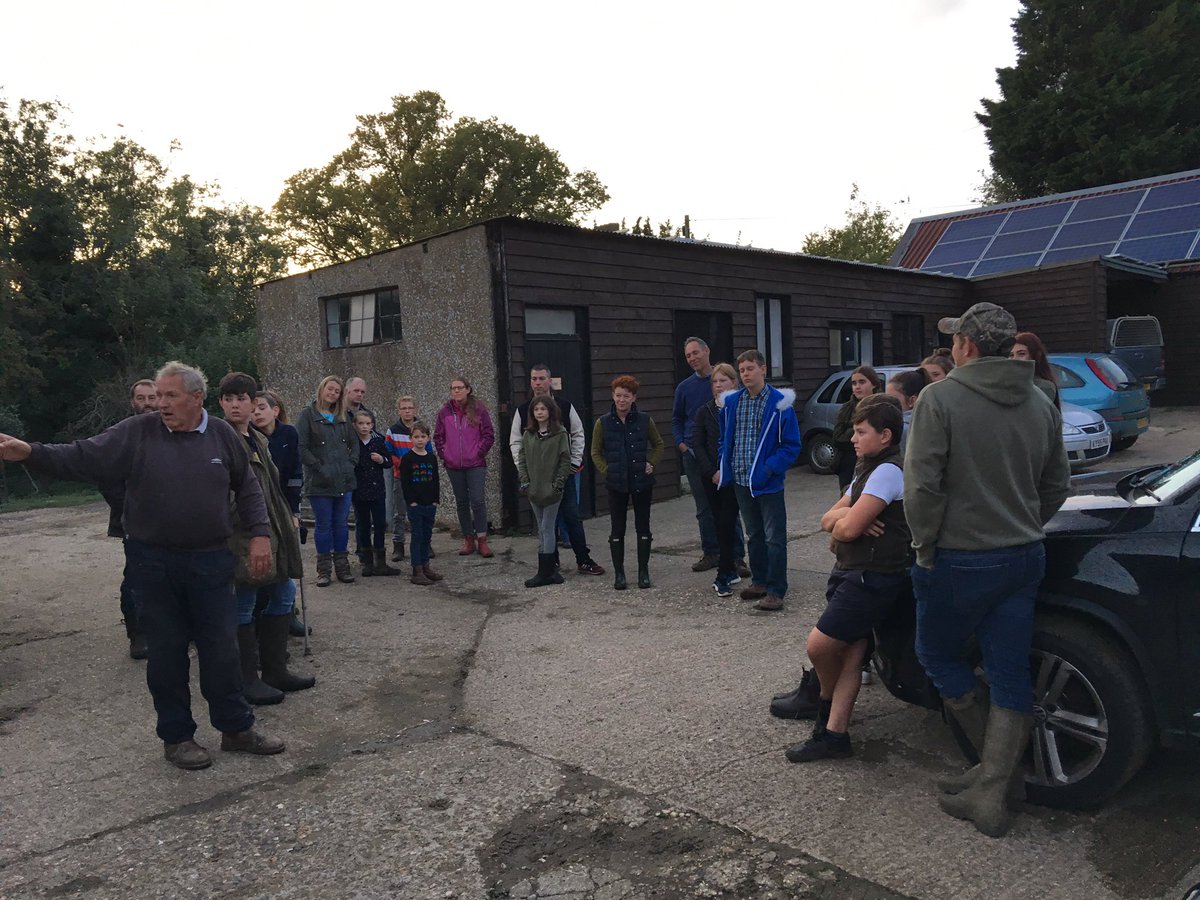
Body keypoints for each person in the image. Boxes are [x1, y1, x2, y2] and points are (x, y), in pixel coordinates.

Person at [0, 361, 284, 770]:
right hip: (153, 561)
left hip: (210, 559)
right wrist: (30, 452)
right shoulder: (138, 433)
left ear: (195, 398)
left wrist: (260, 535)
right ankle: (177, 737)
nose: (162, 404)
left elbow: (248, 486)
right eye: (159, 395)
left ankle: (236, 728)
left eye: (171, 396)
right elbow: (82, 456)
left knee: (221, 648)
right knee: (166, 652)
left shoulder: (221, 435)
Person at [906, 301, 1070, 837]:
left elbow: (923, 487)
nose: (952, 347)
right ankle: (997, 783)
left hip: (958, 558)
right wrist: (1023, 523)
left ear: (968, 347)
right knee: (1009, 671)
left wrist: (925, 546)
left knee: (936, 652)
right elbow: (1057, 486)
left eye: (955, 340)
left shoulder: (940, 397)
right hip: (1025, 555)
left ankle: (994, 782)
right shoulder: (1041, 399)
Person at [785, 394, 910, 763]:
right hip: (853, 572)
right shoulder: (864, 470)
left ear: (885, 435)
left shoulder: (887, 471)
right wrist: (847, 521)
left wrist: (846, 523)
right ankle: (833, 734)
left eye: (861, 432)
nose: (852, 439)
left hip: (871, 578)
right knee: (852, 655)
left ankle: (823, 699)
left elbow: (847, 528)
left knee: (820, 647)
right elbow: (827, 519)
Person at [218, 373, 315, 705]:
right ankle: (247, 680)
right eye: (229, 399)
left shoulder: (256, 438)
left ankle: (275, 671)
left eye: (242, 398)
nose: (235, 404)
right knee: (243, 604)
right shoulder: (219, 440)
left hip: (272, 533)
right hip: (241, 538)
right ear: (220, 403)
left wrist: (285, 520)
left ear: (253, 402)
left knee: (284, 593)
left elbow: (272, 488)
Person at [718, 350, 801, 612]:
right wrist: (724, 462)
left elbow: (791, 446)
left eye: (750, 369)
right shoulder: (733, 402)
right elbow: (725, 438)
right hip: (741, 480)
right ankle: (760, 581)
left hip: (767, 481)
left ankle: (776, 589)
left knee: (774, 537)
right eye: (742, 370)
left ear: (763, 370)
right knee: (753, 534)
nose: (745, 374)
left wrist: (768, 468)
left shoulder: (780, 404)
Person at [507, 363, 604, 576]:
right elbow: (515, 442)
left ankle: (583, 560)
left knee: (571, 516)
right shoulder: (523, 410)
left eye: (542, 378)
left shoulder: (566, 406)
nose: (538, 383)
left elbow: (578, 434)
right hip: (537, 477)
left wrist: (574, 463)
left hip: (564, 475)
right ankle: (551, 563)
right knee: (544, 522)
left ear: (550, 381)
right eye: (534, 379)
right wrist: (523, 468)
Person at [672, 338, 748, 577]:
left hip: (725, 457)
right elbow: (677, 419)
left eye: (696, 353)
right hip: (695, 456)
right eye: (688, 356)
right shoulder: (684, 388)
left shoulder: (722, 381)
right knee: (704, 508)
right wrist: (682, 445)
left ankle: (736, 556)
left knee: (730, 507)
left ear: (707, 351)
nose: (692, 358)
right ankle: (711, 552)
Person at [100, 378, 160, 661]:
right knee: (135, 577)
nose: (147, 403)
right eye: (141, 398)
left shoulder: (170, 431)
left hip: (171, 520)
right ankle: (138, 634)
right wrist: (133, 507)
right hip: (132, 520)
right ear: (132, 402)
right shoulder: (121, 435)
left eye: (152, 398)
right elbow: (106, 477)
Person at [590, 375, 664, 590]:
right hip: (616, 483)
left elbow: (658, 444)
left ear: (634, 398)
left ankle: (643, 571)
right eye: (618, 395)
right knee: (617, 529)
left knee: (643, 526)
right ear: (613, 396)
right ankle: (619, 573)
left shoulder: (644, 420)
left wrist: (651, 462)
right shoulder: (602, 423)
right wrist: (607, 469)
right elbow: (595, 452)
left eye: (626, 396)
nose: (622, 400)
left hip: (642, 481)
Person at [252, 389, 307, 637]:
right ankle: (263, 615)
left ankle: (289, 613)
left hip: (284, 503)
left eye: (261, 407)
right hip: (259, 506)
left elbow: (296, 472)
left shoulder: (289, 434)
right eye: (253, 409)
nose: (256, 413)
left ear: (275, 411)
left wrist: (294, 510)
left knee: (287, 559)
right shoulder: (248, 437)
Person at [295, 375, 358, 587]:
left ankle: (342, 566)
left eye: (337, 391)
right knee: (323, 525)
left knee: (341, 524)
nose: (332, 393)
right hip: (320, 482)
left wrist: (351, 464)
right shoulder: (307, 415)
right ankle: (324, 569)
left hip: (344, 480)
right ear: (322, 389)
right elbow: (301, 447)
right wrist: (319, 468)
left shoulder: (341, 416)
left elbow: (354, 443)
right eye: (329, 389)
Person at [689, 363, 744, 597]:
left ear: (734, 382)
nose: (718, 385)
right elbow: (697, 444)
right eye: (715, 382)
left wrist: (730, 470)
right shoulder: (705, 411)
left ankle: (727, 570)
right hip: (711, 477)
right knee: (718, 520)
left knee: (729, 521)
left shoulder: (742, 408)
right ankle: (726, 569)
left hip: (737, 475)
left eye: (723, 380)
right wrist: (712, 471)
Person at [435, 377, 496, 558]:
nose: (456, 391)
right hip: (453, 465)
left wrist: (478, 452)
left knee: (477, 501)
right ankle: (468, 539)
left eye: (460, 388)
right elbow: (438, 436)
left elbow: (488, 434)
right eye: (453, 388)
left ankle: (482, 540)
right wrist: (445, 454)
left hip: (475, 464)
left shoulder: (478, 409)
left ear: (468, 389)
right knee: (461, 502)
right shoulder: (445, 411)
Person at [518, 396, 573, 588]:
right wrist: (525, 481)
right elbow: (522, 458)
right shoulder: (528, 435)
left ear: (551, 411)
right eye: (536, 409)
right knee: (541, 528)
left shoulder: (560, 435)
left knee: (547, 528)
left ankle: (546, 572)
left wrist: (557, 484)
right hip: (534, 490)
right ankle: (548, 570)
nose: (539, 412)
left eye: (543, 409)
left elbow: (565, 461)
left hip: (551, 491)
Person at [352, 410, 400, 577]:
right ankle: (367, 561)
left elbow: (388, 462)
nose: (364, 427)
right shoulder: (353, 443)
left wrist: (381, 460)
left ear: (372, 425)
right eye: (361, 423)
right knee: (363, 526)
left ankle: (381, 562)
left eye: (368, 423)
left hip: (377, 490)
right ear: (355, 425)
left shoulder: (378, 441)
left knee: (380, 524)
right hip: (359, 492)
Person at [399, 421, 443, 586]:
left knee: (427, 536)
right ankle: (416, 570)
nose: (419, 440)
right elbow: (405, 482)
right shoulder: (407, 458)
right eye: (416, 436)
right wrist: (411, 502)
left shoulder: (431, 457)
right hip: (415, 505)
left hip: (429, 504)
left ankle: (426, 567)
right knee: (417, 536)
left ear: (428, 438)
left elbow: (435, 479)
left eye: (422, 436)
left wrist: (435, 499)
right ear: (411, 438)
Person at [833, 366, 882, 491]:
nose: (857, 387)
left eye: (862, 382)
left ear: (874, 384)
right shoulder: (847, 408)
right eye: (854, 383)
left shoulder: (882, 406)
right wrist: (858, 430)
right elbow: (837, 438)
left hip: (875, 462)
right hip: (848, 463)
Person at [385, 395, 419, 563]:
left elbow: (427, 451)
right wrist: (401, 464)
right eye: (404, 408)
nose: (407, 411)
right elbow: (388, 452)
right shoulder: (393, 431)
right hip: (400, 477)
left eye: (410, 408)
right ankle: (398, 545)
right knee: (400, 513)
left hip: (419, 478)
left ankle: (422, 543)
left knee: (418, 511)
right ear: (399, 411)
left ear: (415, 410)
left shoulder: (421, 429)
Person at [884, 368, 932, 453]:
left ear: (912, 401)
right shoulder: (933, 421)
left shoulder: (902, 429)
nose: (887, 403)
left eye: (892, 399)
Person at [1010, 331, 1061, 408]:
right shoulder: (1006, 383)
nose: (1015, 359)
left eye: (1021, 354)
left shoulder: (1044, 387)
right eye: (1011, 355)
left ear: (1036, 356)